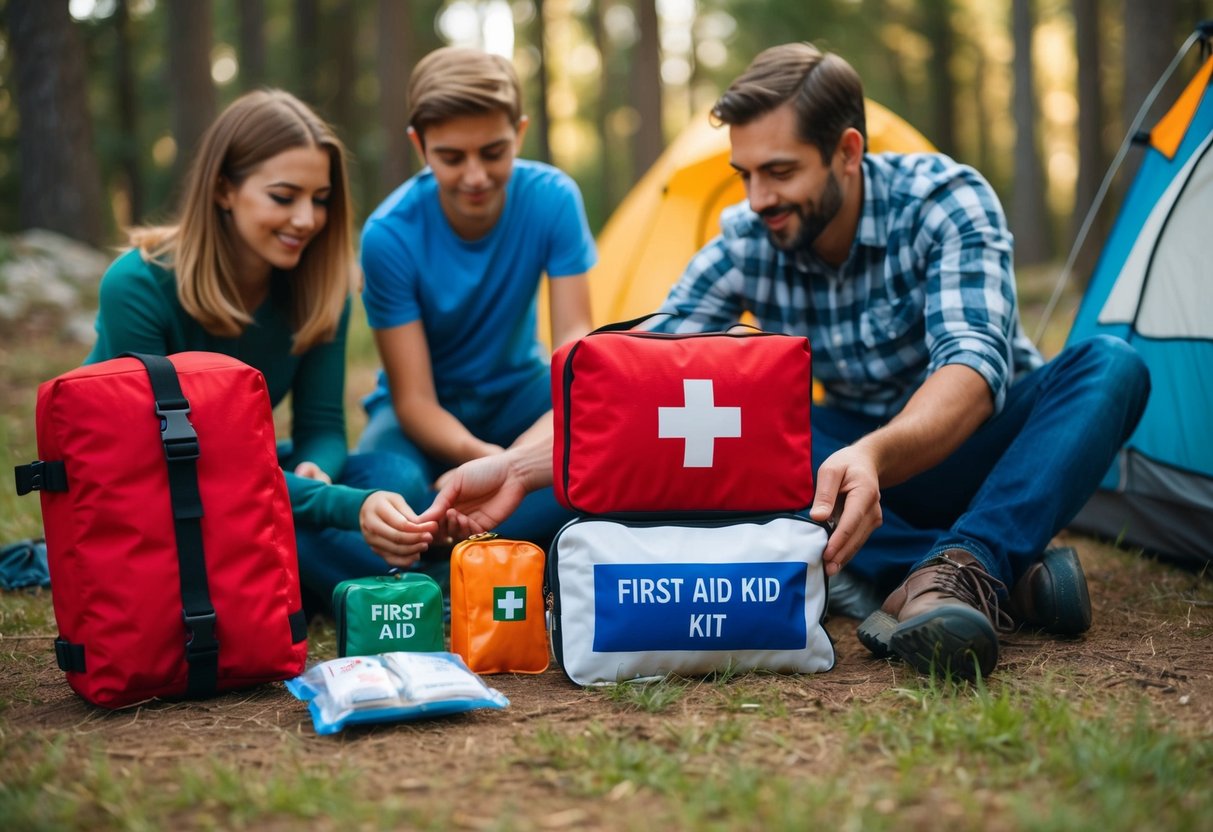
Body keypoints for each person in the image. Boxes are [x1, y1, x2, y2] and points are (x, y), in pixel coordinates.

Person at [422, 43, 1152, 680]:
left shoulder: (945, 200)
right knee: (741, 432)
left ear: (846, 150)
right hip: (841, 471)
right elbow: (638, 383)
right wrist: (516, 470)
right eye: (743, 174)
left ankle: (959, 566)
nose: (757, 199)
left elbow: (970, 372)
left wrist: (873, 454)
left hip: (977, 448)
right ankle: (988, 573)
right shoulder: (747, 237)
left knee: (1110, 366)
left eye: (777, 172)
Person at [87, 89, 435, 614]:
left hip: (251, 476)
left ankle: (311, 575)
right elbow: (168, 463)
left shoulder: (319, 285)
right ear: (225, 189)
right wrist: (336, 504)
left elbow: (321, 425)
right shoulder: (138, 285)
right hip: (161, 490)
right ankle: (421, 589)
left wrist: (317, 467)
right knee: (262, 515)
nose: (306, 219)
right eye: (283, 196)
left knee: (397, 478)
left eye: (319, 199)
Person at [355, 46, 596, 549]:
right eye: (450, 157)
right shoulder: (388, 235)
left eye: (493, 152)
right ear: (420, 145)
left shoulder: (554, 198)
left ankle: (444, 555)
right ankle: (482, 547)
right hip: (422, 415)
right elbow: (413, 398)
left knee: (600, 453)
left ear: (520, 134)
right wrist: (481, 455)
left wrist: (515, 462)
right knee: (387, 490)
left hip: (521, 394)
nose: (475, 177)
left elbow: (577, 354)